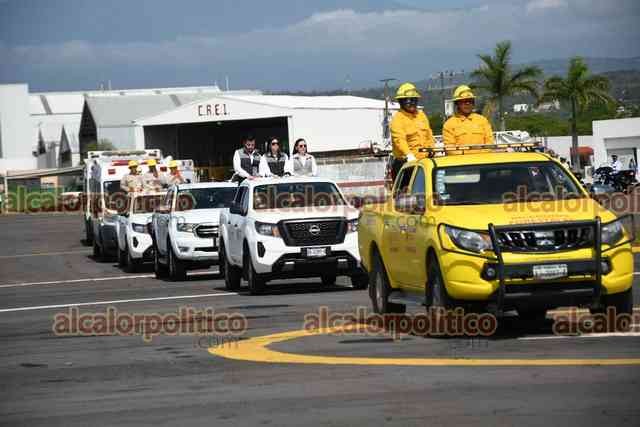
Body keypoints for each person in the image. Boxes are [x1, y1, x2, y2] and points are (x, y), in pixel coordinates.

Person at [389, 82, 434, 180]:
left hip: (424, 163)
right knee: (405, 194)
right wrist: (409, 155)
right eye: (408, 100)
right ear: (401, 101)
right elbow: (399, 140)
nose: (412, 103)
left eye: (414, 100)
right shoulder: (397, 119)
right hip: (406, 164)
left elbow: (429, 134)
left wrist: (431, 148)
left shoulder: (421, 115)